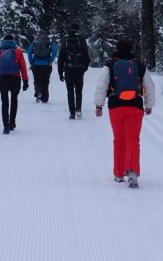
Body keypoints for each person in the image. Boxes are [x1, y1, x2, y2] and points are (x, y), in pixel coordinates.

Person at [94, 38, 155, 188]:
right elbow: (150, 86)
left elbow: (101, 85)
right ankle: (133, 173)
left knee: (119, 139)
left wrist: (99, 105)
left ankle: (119, 174)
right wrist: (149, 104)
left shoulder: (110, 65)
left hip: (116, 106)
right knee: (133, 139)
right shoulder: (139, 66)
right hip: (135, 106)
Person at [0, 35, 29, 134]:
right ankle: (12, 123)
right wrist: (25, 80)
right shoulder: (18, 52)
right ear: (13, 41)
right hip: (15, 78)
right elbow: (23, 67)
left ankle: (6, 126)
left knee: (4, 102)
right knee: (14, 100)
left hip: (3, 78)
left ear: (4, 41)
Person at [58, 23, 90, 119]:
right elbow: (86, 55)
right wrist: (85, 67)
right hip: (79, 69)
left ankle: (72, 113)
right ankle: (78, 110)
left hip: (68, 69)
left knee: (70, 91)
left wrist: (60, 72)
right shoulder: (81, 39)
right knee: (79, 91)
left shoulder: (66, 39)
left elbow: (61, 57)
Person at [27, 32, 57, 103]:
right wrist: (51, 61)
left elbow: (29, 52)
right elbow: (55, 51)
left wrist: (31, 62)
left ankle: (38, 93)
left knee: (37, 80)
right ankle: (45, 98)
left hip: (36, 65)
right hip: (47, 65)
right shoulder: (49, 43)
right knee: (46, 81)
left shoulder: (34, 43)